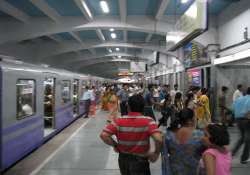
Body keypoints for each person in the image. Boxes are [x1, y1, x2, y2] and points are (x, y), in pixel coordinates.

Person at [100, 94, 163, 175]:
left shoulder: (118, 121)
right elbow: (159, 139)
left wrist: (116, 145)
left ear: (128, 107)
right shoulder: (148, 121)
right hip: (141, 160)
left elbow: (104, 135)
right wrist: (156, 153)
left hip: (123, 159)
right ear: (143, 107)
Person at [163, 108, 205, 175]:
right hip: (193, 171)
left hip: (174, 171)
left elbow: (165, 159)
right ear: (189, 120)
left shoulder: (168, 135)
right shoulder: (200, 135)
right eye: (195, 117)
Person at [232, 87, 250, 164]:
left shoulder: (239, 99)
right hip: (247, 120)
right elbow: (248, 110)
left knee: (242, 138)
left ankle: (231, 154)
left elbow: (232, 108)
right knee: (248, 139)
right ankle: (244, 158)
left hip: (238, 120)